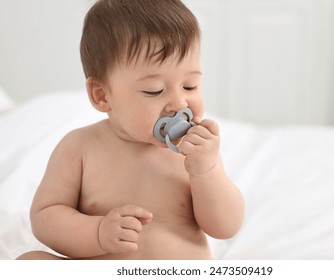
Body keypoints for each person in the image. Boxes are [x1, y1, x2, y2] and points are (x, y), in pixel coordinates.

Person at [17, 0, 244, 260]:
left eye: (190, 86)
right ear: (102, 95)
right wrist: (98, 232)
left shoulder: (195, 154)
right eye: (154, 90)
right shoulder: (79, 148)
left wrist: (207, 169)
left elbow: (226, 227)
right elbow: (46, 216)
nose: (180, 103)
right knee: (29, 263)